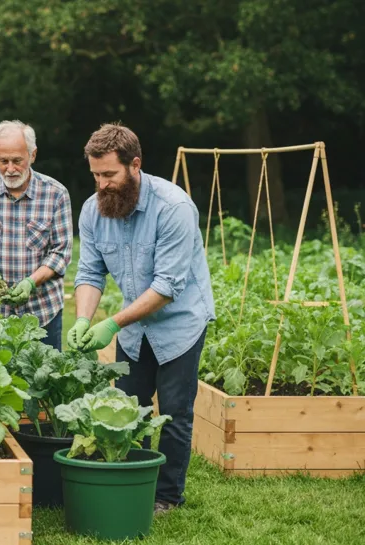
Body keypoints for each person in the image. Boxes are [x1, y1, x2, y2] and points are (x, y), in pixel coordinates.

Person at [68, 123, 215, 515]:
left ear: (135, 165)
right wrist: (84, 318)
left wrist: (112, 323)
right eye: (96, 175)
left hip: (180, 323)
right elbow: (89, 273)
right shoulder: (93, 210)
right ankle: (132, 481)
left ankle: (166, 496)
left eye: (110, 174)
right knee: (128, 409)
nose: (101, 184)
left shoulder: (174, 207)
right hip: (135, 326)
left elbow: (167, 287)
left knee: (173, 412)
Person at [0, 120, 72, 350]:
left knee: (45, 382)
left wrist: (31, 282)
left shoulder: (55, 194)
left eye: (17, 161)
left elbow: (61, 252)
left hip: (43, 312)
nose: (10, 169)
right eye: (3, 161)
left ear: (32, 155)